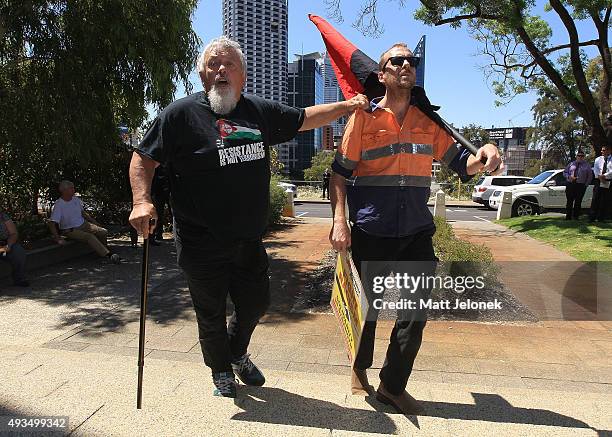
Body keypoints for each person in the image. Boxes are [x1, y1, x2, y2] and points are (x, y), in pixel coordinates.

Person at [128, 36, 368, 398]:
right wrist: (142, 201)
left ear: (243, 75)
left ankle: (236, 351)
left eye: (230, 65)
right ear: (203, 75)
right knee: (209, 311)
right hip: (199, 239)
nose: (221, 70)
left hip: (247, 238)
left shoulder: (258, 111)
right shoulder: (178, 115)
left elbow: (305, 119)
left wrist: (348, 105)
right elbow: (142, 158)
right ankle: (221, 370)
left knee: (256, 302)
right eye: (213, 65)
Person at [329, 43, 503, 415]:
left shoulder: (429, 122)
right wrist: (339, 221)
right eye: (397, 60)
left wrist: (485, 151)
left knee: (414, 314)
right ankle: (359, 368)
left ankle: (392, 386)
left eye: (412, 61)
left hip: (415, 233)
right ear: (382, 74)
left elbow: (464, 163)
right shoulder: (363, 118)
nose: (406, 64)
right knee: (366, 311)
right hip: (371, 232)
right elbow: (338, 176)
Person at [47, 180, 122, 264]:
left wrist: (94, 222)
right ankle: (108, 255)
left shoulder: (75, 200)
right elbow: (52, 223)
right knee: (89, 237)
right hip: (69, 229)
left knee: (103, 231)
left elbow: (83, 213)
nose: (73, 190)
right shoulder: (59, 205)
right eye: (71, 188)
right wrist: (58, 239)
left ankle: (103, 251)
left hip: (83, 224)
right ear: (64, 191)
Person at [0, 211, 29, 287]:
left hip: (4, 244)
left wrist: (8, 245)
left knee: (18, 251)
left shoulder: (3, 216)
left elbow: (14, 233)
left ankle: (19, 278)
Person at [563, 150, 592, 220]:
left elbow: (590, 176)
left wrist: (586, 185)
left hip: (580, 185)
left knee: (578, 201)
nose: (580, 157)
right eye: (579, 156)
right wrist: (569, 177)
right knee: (569, 201)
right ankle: (568, 216)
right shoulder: (571, 164)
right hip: (570, 184)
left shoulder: (587, 166)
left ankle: (576, 216)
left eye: (582, 156)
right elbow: (565, 172)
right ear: (576, 156)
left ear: (583, 157)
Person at [589, 145, 612, 222]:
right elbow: (595, 169)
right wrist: (600, 177)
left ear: (609, 151)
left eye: (604, 150)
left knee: (605, 200)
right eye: (602, 150)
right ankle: (592, 217)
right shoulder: (598, 159)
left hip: (608, 180)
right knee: (595, 199)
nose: (602, 152)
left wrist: (604, 176)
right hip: (598, 180)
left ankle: (601, 217)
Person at [150, 165, 172, 245]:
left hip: (169, 192)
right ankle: (156, 235)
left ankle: (160, 234)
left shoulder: (169, 165)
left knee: (174, 214)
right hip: (159, 193)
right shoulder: (157, 166)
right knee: (157, 214)